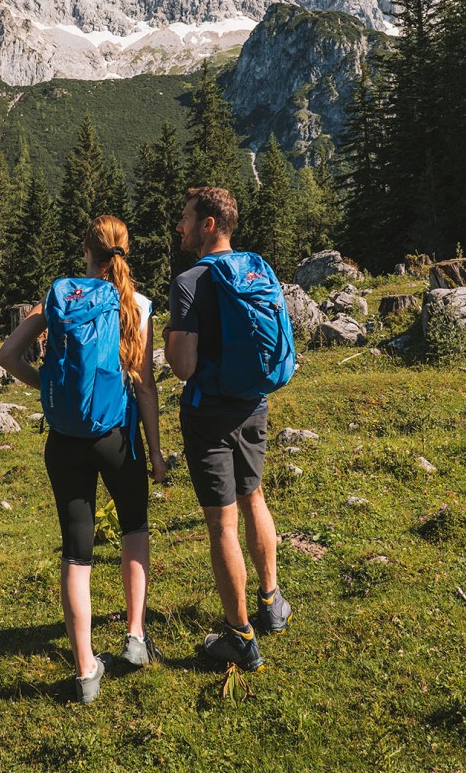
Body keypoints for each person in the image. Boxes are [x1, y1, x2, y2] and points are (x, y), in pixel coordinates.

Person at [0, 215, 165, 703]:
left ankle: (86, 671)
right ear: (125, 251)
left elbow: (7, 356)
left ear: (86, 252)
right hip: (117, 436)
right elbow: (145, 387)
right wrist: (156, 452)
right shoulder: (136, 305)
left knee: (76, 551)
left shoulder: (58, 298)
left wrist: (47, 388)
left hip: (65, 440)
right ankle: (135, 638)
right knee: (134, 528)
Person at [164, 186, 292, 672]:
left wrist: (170, 339)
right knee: (254, 496)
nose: (180, 226)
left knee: (222, 524)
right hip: (254, 404)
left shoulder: (190, 281)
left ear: (209, 224)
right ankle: (271, 602)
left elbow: (183, 366)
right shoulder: (256, 268)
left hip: (209, 413)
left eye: (186, 217)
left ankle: (239, 637)